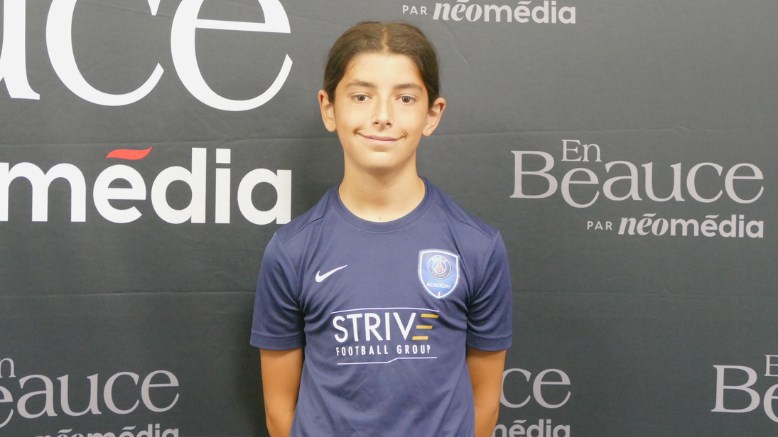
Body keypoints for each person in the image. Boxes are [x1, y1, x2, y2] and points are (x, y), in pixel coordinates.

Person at [251, 21, 512, 437]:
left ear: (432, 114)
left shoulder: (476, 246)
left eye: (405, 98)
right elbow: (279, 410)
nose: (383, 117)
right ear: (328, 108)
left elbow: (485, 403)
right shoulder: (292, 250)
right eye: (361, 96)